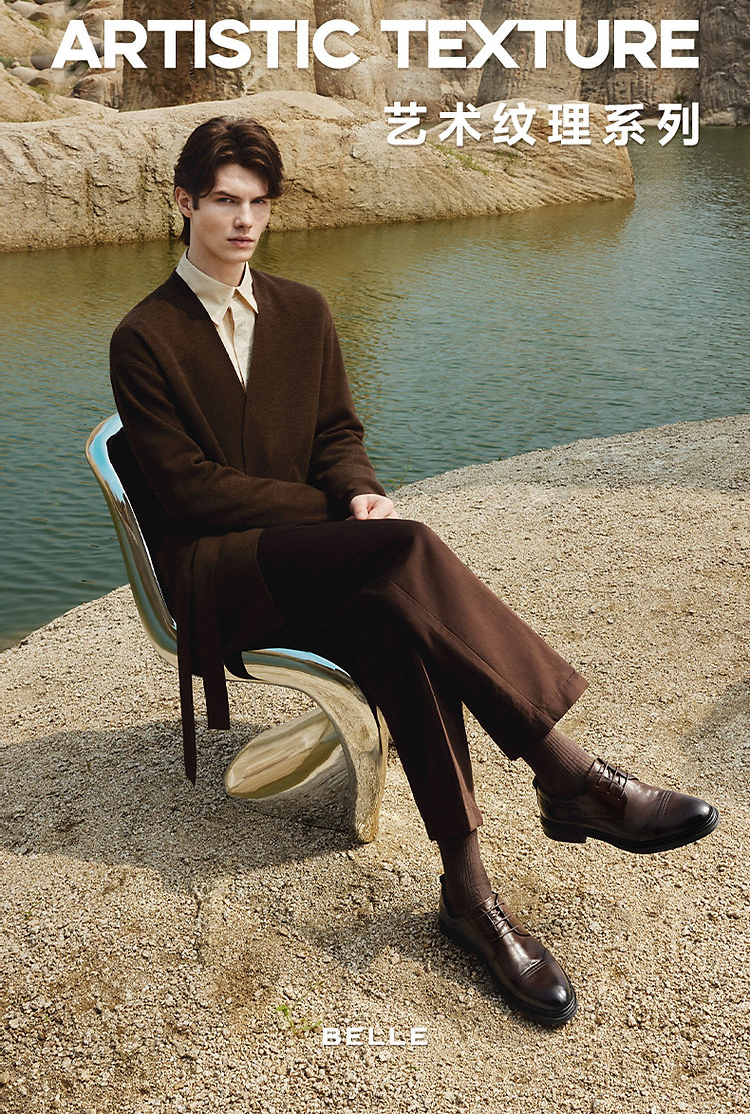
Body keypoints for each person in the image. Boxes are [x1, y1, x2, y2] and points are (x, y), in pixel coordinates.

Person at [109, 116, 719, 1028]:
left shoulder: (305, 311)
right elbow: (190, 491)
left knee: (391, 610)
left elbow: (336, 436)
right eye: (225, 202)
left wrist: (358, 492)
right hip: (223, 574)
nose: (243, 222)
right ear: (184, 202)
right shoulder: (144, 336)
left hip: (314, 557)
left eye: (259, 204)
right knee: (405, 551)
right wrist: (333, 514)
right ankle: (568, 774)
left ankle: (469, 896)